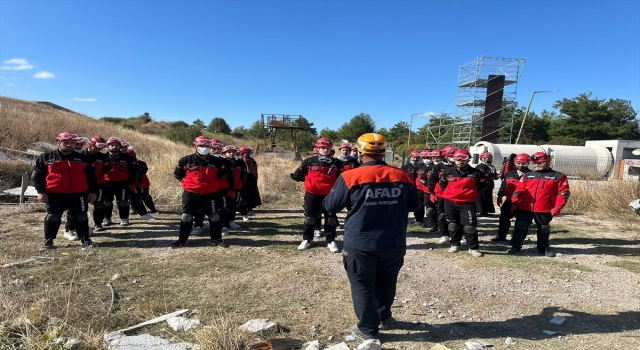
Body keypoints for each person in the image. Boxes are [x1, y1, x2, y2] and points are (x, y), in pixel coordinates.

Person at [323, 133, 420, 341]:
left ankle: (367, 329)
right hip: (394, 242)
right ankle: (384, 317)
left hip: (361, 242)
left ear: (359, 152)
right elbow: (415, 206)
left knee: (362, 286)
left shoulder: (350, 176)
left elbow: (330, 206)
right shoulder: (404, 175)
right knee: (386, 282)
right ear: (384, 151)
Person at [32, 131, 98, 249]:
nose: (69, 145)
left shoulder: (84, 159)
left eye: (72, 143)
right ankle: (48, 241)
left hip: (79, 194)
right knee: (53, 217)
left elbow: (92, 177)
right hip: (54, 194)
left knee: (81, 216)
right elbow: (37, 176)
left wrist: (93, 192)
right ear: (58, 142)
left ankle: (85, 240)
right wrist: (40, 192)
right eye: (66, 142)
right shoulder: (46, 157)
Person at [171, 136, 232, 248]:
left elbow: (222, 175)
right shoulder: (185, 160)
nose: (204, 148)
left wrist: (210, 184)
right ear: (195, 146)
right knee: (186, 216)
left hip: (210, 193)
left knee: (214, 216)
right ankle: (182, 240)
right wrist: (189, 183)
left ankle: (217, 239)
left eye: (207, 146)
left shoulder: (217, 161)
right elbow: (177, 174)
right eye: (201, 146)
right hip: (190, 193)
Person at [508, 152, 570, 257]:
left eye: (540, 163)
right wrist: (514, 202)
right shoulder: (527, 175)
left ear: (546, 162)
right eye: (534, 163)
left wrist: (558, 207)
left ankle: (543, 248)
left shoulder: (558, 176)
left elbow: (563, 193)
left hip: (544, 208)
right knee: (521, 226)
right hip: (525, 207)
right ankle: (516, 246)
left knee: (544, 228)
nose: (537, 165)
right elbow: (519, 190)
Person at [290, 137, 344, 252]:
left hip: (330, 195)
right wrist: (310, 183)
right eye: (322, 148)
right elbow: (297, 175)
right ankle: (307, 240)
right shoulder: (309, 161)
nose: (325, 150)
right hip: (311, 195)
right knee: (309, 218)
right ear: (317, 149)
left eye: (327, 148)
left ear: (331, 149)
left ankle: (331, 240)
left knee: (331, 219)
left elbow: (342, 179)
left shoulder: (337, 163)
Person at [432, 149, 486, 257]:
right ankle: (455, 244)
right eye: (457, 159)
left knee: (469, 226)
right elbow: (443, 184)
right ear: (454, 159)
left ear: (469, 159)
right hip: (450, 202)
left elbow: (482, 187)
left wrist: (469, 194)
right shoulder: (447, 172)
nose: (460, 161)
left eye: (464, 159)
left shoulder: (477, 173)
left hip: (467, 203)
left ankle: (473, 248)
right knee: (452, 224)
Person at [102, 137, 152, 226]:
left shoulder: (128, 157)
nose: (114, 147)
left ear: (119, 146)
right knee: (107, 202)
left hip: (122, 183)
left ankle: (124, 219)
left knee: (123, 202)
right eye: (112, 145)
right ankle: (107, 218)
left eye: (116, 145)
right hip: (107, 184)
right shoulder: (103, 157)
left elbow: (134, 171)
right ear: (108, 146)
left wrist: (133, 183)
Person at [491, 153, 531, 242]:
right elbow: (504, 185)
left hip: (523, 203)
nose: (520, 165)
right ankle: (501, 237)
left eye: (523, 163)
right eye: (518, 163)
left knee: (520, 222)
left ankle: (516, 239)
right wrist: (500, 196)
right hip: (509, 201)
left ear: (528, 163)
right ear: (515, 163)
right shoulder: (509, 174)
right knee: (503, 219)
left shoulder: (531, 175)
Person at [85, 136, 110, 232]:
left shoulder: (103, 157)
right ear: (91, 144)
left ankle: (98, 224)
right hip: (84, 184)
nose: (99, 149)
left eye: (101, 147)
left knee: (99, 205)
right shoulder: (82, 155)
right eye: (97, 147)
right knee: (83, 206)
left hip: (99, 184)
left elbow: (106, 169)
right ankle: (82, 226)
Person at [222, 145, 248, 226]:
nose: (231, 154)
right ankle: (220, 222)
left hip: (237, 187)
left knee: (234, 205)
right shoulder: (221, 162)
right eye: (229, 152)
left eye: (233, 152)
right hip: (224, 188)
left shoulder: (240, 162)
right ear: (224, 153)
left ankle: (231, 221)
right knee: (223, 206)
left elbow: (243, 175)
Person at [401, 150, 426, 226]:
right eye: (413, 157)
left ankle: (419, 220)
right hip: (408, 187)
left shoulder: (423, 166)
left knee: (419, 203)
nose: (415, 159)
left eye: (417, 157)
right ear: (410, 157)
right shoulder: (405, 167)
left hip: (419, 188)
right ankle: (405, 219)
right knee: (405, 203)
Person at [239, 146, 262, 213]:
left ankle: (250, 206)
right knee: (245, 193)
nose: (251, 154)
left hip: (252, 177)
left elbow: (255, 170)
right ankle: (242, 207)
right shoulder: (241, 161)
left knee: (252, 192)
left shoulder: (253, 161)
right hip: (245, 178)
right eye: (249, 152)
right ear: (243, 153)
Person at [475, 152, 497, 216]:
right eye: (488, 158)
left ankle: (486, 211)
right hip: (482, 183)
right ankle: (480, 211)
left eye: (490, 158)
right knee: (481, 197)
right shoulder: (480, 166)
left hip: (489, 183)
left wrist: (496, 176)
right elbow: (483, 175)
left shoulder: (491, 166)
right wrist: (493, 174)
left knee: (488, 197)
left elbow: (493, 176)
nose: (489, 159)